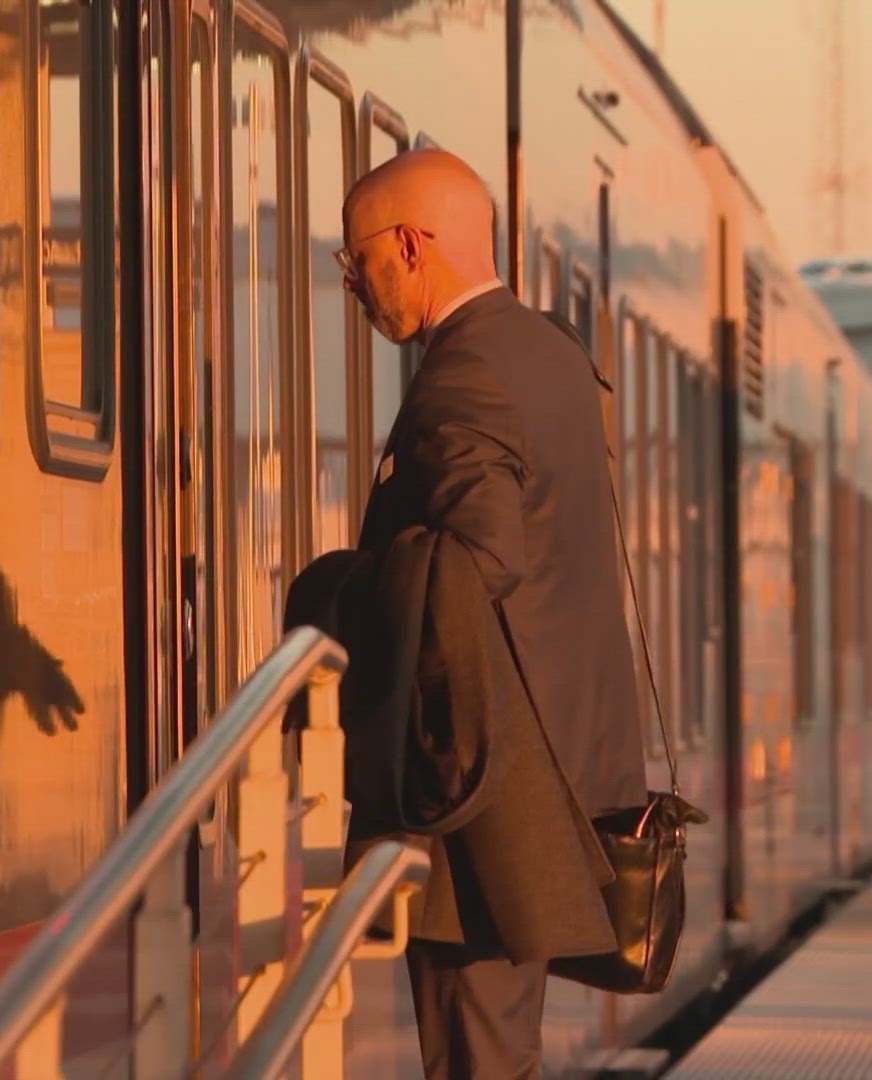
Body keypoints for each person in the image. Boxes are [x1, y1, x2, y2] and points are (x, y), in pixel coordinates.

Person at [331, 149, 647, 1078]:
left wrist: (339, 591)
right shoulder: (550, 349)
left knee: (476, 1051)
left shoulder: (463, 377)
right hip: (559, 767)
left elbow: (477, 561)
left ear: (411, 244)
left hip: (488, 792)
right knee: (495, 1042)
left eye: (359, 260)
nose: (354, 283)